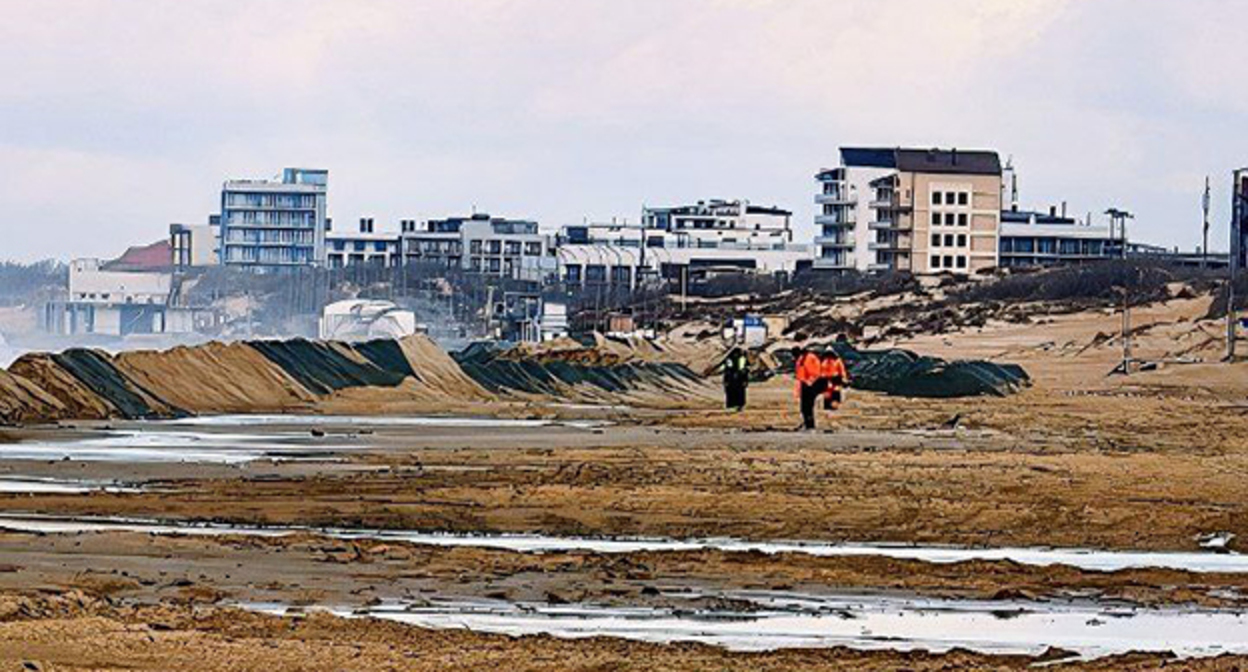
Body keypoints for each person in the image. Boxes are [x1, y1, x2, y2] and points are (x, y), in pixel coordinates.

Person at [793, 345, 825, 430]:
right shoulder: (803, 358)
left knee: (808, 406)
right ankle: (808, 424)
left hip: (810, 384)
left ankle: (810, 425)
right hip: (805, 384)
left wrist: (809, 382)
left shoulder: (808, 358)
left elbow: (815, 372)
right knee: (805, 407)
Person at [820, 345, 850, 412]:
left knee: (835, 392)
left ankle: (834, 407)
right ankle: (827, 406)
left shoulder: (837, 361)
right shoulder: (823, 361)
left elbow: (842, 370)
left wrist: (844, 378)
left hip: (836, 379)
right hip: (826, 379)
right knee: (827, 393)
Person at [721, 347, 750, 411]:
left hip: (736, 377)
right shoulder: (731, 359)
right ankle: (735, 405)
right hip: (735, 377)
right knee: (735, 392)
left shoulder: (730, 359)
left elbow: (725, 370)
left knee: (736, 392)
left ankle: (736, 405)